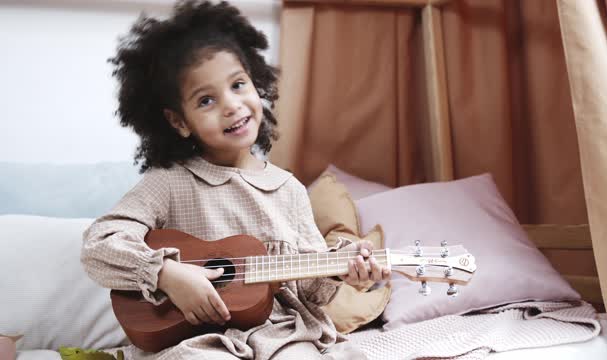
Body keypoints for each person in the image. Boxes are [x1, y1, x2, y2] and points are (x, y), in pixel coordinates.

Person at [81, 1, 390, 359]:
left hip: (282, 335)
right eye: (207, 100)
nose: (231, 105)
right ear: (179, 122)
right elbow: (99, 245)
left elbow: (306, 290)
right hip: (195, 339)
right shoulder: (169, 182)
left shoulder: (288, 190)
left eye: (238, 84)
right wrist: (167, 274)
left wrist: (340, 270)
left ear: (256, 84)